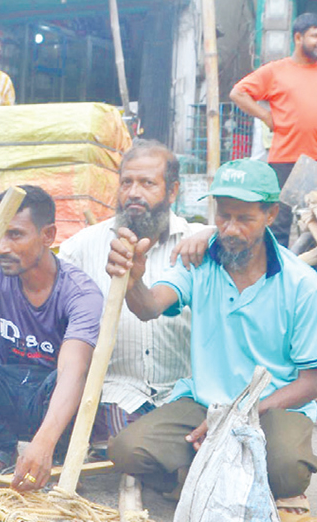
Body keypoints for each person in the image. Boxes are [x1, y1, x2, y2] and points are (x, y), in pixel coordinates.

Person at [106, 159, 317, 503]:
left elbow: (311, 384)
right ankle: (219, 471)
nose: (230, 229)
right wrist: (133, 280)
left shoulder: (300, 282)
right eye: (223, 216)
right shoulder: (199, 261)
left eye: (245, 219)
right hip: (204, 402)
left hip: (269, 407)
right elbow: (149, 307)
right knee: (127, 450)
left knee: (288, 471)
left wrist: (237, 417)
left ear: (271, 215)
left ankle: (206, 472)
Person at [0, 186, 102, 491]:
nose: (1, 248)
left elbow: (73, 371)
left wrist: (42, 443)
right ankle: (0, 447)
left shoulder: (80, 293)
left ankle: (52, 455)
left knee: (79, 381)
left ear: (48, 235)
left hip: (51, 399)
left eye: (15, 235)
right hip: (9, 392)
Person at [59, 141, 207, 437]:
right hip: (116, 391)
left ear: (173, 191)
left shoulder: (198, 243)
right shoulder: (81, 248)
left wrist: (213, 232)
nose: (134, 193)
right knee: (131, 443)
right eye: (127, 182)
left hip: (186, 392)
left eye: (147, 183)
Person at [230, 12, 317, 245]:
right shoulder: (275, 70)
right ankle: (277, 273)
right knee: (279, 222)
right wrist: (266, 116)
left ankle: (315, 275)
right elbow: (238, 93)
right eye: (315, 35)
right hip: (284, 160)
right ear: (298, 38)